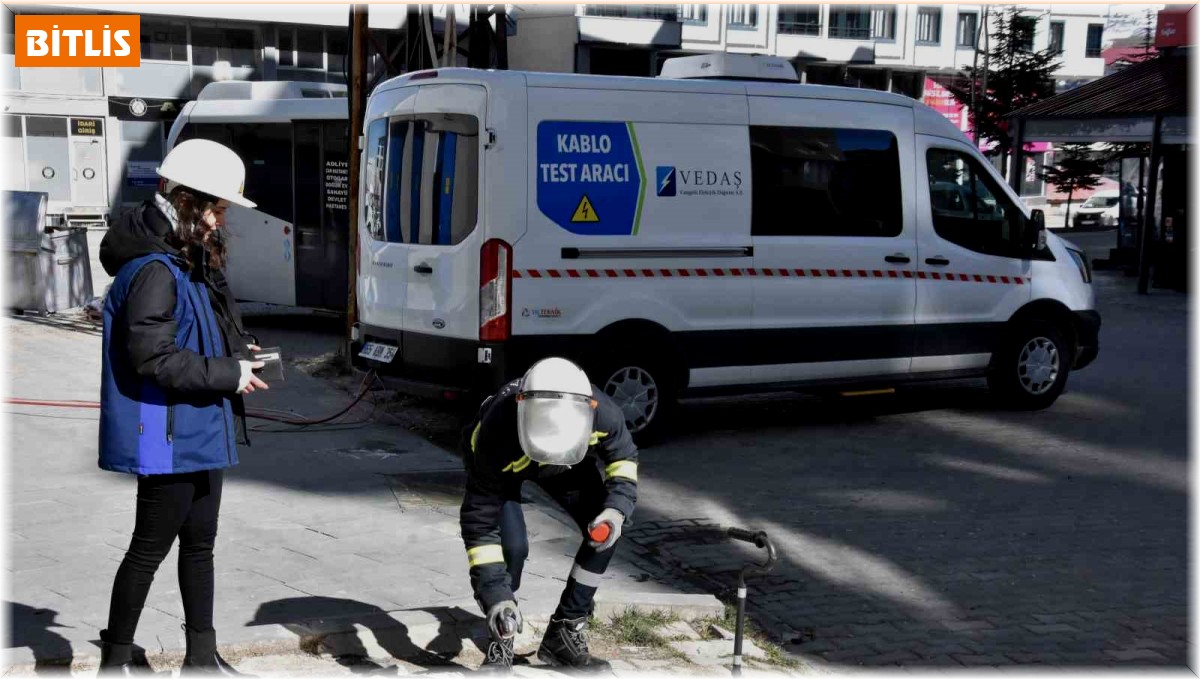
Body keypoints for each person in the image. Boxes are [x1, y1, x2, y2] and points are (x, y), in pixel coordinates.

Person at [96, 139, 267, 675]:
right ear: (185, 201)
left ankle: (201, 657)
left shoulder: (183, 260)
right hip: (165, 429)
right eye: (215, 209)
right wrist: (228, 374)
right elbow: (154, 358)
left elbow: (197, 331)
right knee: (148, 549)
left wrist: (241, 353)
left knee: (200, 546)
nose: (219, 222)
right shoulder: (154, 270)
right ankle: (117, 660)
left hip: (198, 425)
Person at [460, 357, 639, 671]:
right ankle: (502, 631)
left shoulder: (603, 413)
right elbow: (479, 524)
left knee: (605, 531)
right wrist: (495, 595)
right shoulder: (496, 432)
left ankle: (565, 631)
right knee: (512, 548)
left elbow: (624, 459)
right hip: (505, 467)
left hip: (566, 464)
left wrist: (615, 510)